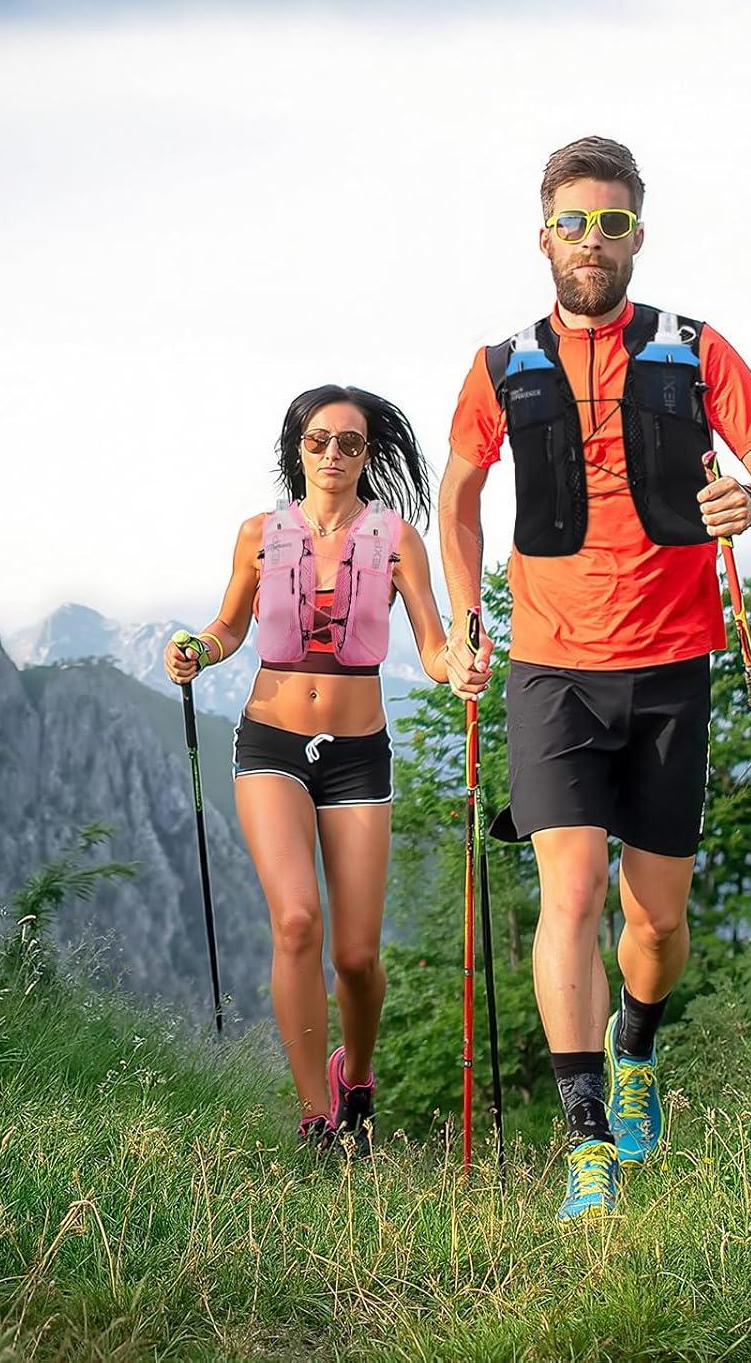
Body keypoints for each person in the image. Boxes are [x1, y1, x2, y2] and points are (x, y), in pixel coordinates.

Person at [439, 136, 751, 1218]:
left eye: (610, 223)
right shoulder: (499, 366)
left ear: (637, 234)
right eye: (573, 223)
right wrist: (466, 619)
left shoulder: (696, 350)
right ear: (543, 237)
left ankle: (636, 1043)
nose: (590, 241)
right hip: (551, 669)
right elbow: (457, 500)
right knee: (572, 894)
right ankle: (587, 1139)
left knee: (654, 924)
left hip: (671, 666)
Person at [166, 386, 450, 1151]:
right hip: (270, 743)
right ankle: (316, 1119)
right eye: (319, 440)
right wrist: (197, 650)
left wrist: (457, 664)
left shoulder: (397, 539)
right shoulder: (258, 535)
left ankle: (355, 1077)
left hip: (359, 754)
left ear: (368, 455)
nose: (333, 454)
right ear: (298, 448)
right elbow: (229, 626)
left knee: (356, 957)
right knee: (296, 922)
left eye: (350, 443)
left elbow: (431, 645)